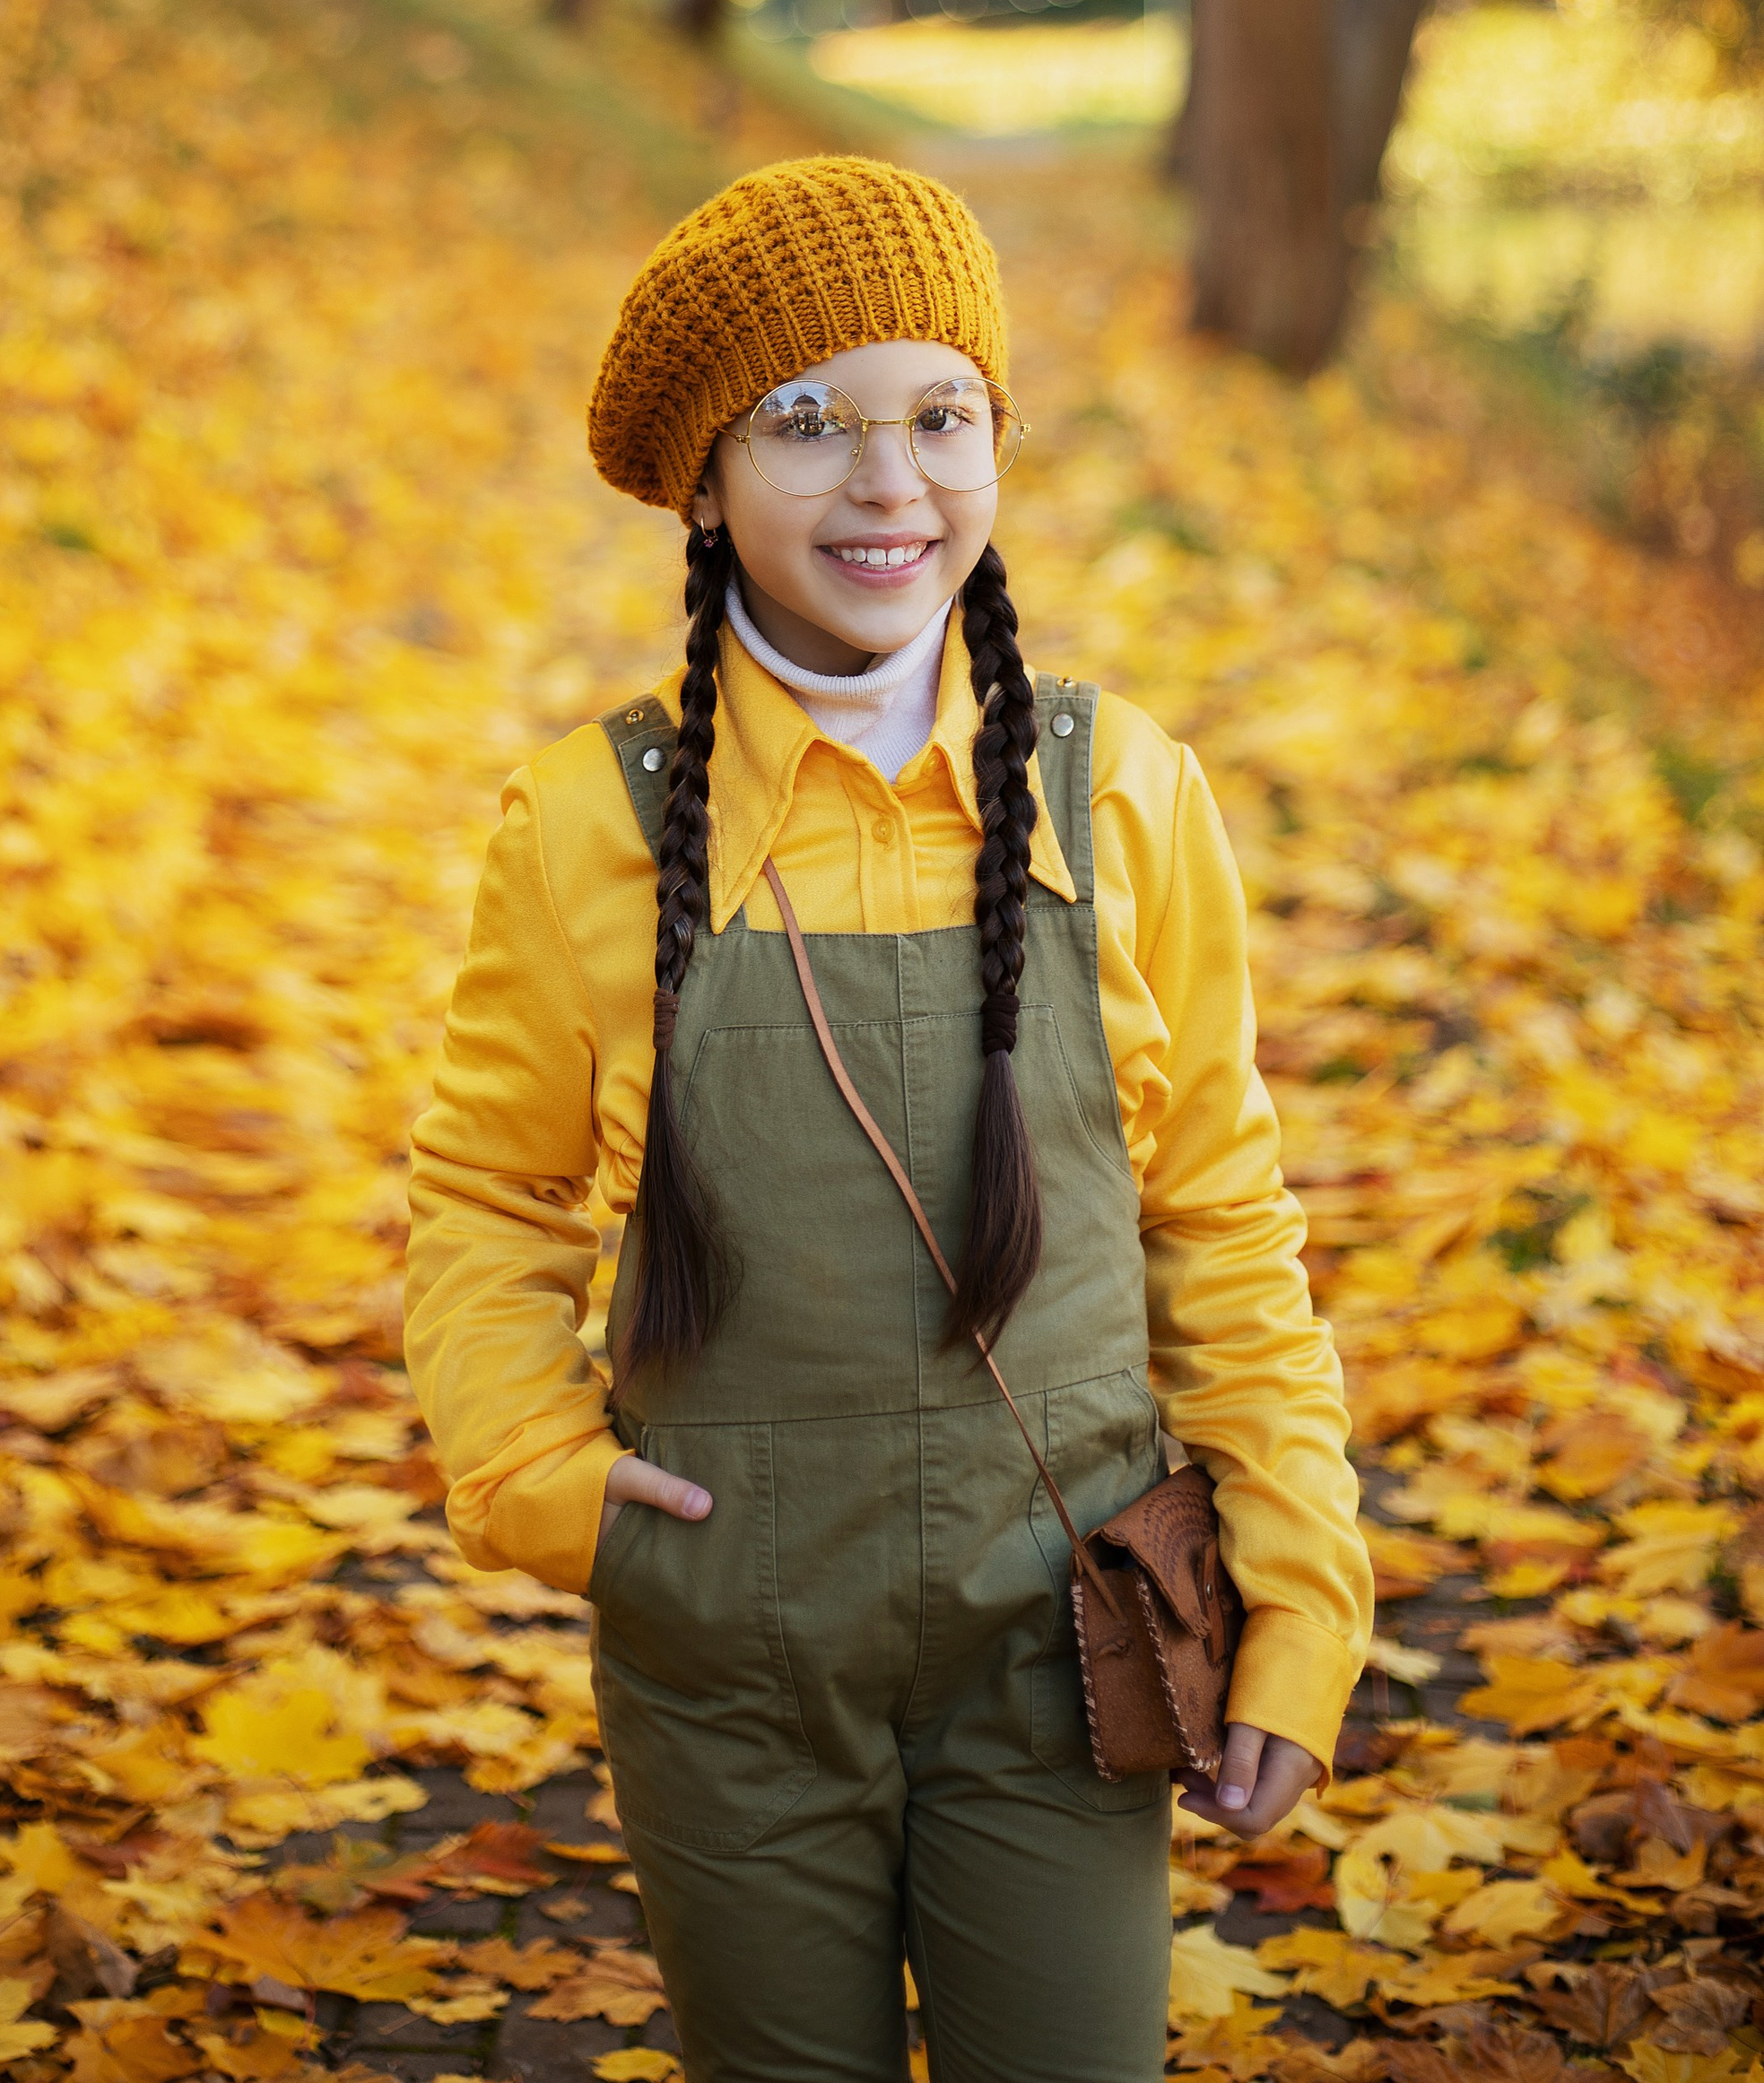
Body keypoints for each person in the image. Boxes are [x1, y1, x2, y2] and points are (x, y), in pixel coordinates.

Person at [405, 156, 1371, 2083]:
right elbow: (487, 1196)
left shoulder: (1123, 800)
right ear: (697, 480)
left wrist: (1297, 1598)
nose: (888, 487)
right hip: (726, 1659)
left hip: (1059, 1644)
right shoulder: (586, 826)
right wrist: (535, 1476)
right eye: (805, 426)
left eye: (940, 419)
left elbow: (1218, 1226)